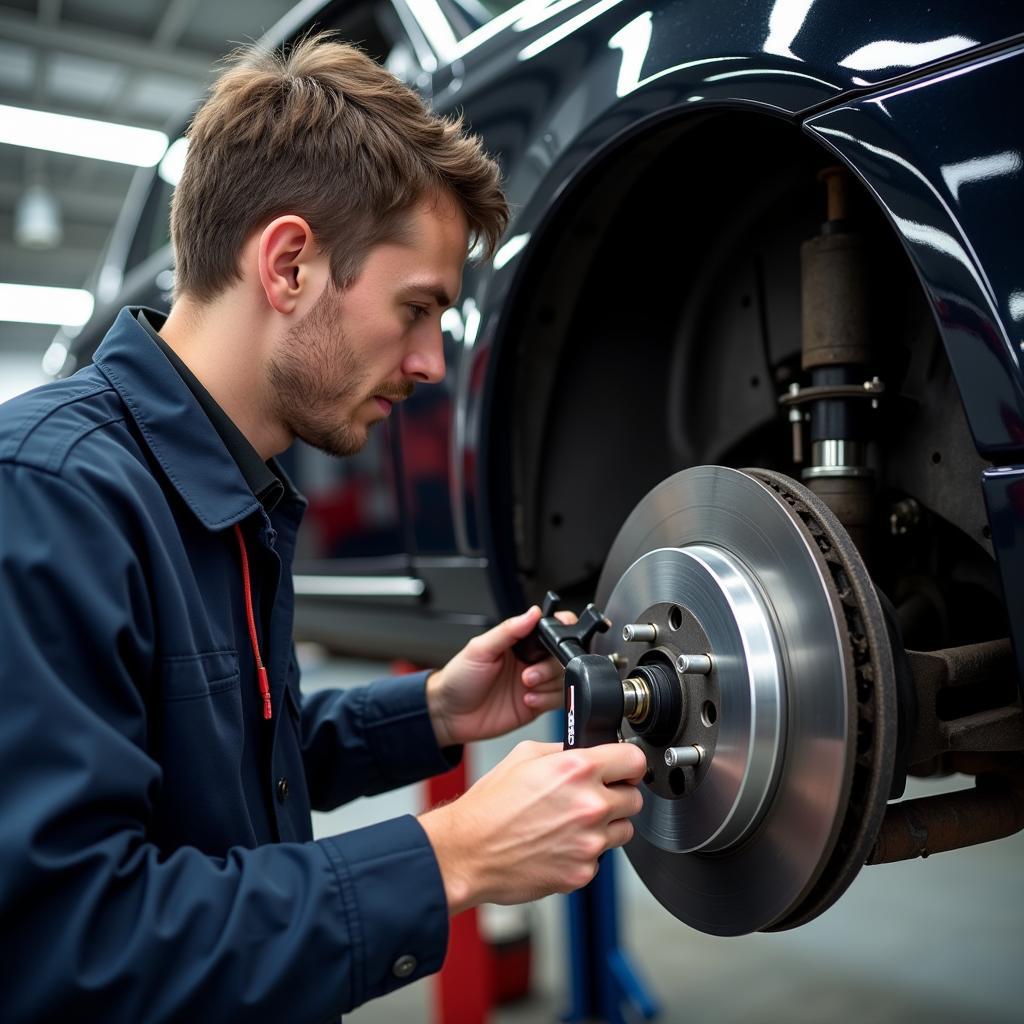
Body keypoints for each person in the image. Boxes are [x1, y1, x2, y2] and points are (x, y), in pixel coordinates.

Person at [0, 32, 646, 1022]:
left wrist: (430, 711)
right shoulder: (50, 496)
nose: (432, 362)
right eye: (417, 308)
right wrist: (450, 857)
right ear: (290, 264)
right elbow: (71, 945)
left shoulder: (229, 487)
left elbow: (224, 763)